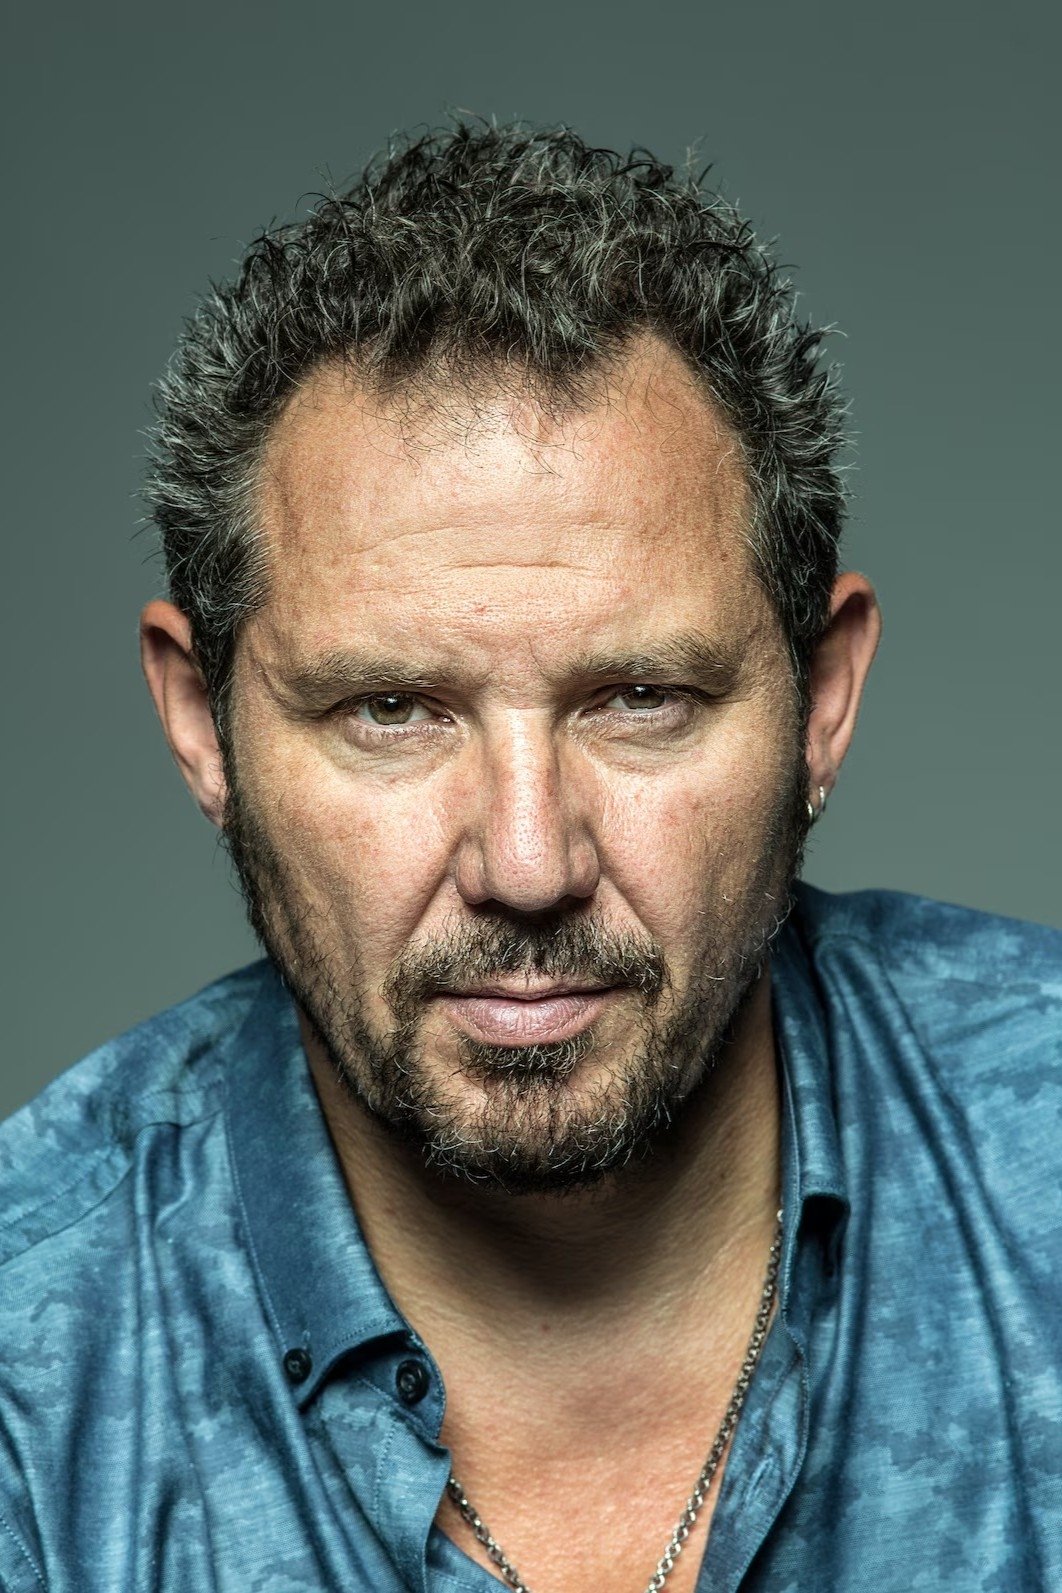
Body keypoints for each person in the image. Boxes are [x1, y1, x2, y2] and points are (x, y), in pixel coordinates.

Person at [1, 122, 1058, 1593]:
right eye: (390, 709)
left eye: (640, 699)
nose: (525, 859)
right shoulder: (31, 1387)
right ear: (203, 725)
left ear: (820, 701)